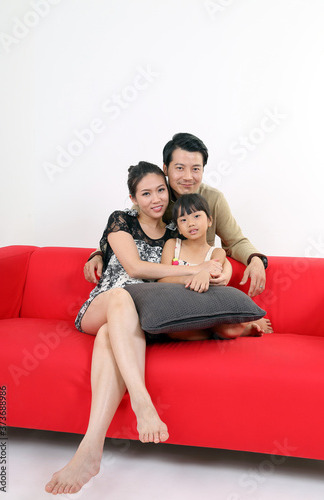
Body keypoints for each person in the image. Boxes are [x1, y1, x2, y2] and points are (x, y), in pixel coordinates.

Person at [45, 162, 222, 495]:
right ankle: (142, 402)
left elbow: (207, 256)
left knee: (108, 335)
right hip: (103, 304)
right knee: (119, 299)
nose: (155, 198)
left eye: (160, 190)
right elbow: (135, 267)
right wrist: (197, 268)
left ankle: (90, 449)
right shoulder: (121, 220)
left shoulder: (174, 232)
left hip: (141, 317)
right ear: (133, 198)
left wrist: (212, 270)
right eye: (146, 193)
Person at [84, 133, 268, 298]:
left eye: (196, 169)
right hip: (164, 286)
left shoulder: (213, 199)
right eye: (180, 168)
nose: (188, 177)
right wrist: (99, 254)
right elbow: (127, 231)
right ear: (165, 169)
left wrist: (256, 259)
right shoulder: (153, 199)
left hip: (202, 283)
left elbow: (234, 242)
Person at [159, 193, 273, 341]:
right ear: (179, 228)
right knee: (174, 332)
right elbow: (162, 281)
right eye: (183, 220)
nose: (191, 223)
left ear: (210, 221)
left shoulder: (217, 252)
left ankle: (232, 327)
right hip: (181, 310)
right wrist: (193, 277)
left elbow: (213, 271)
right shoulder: (173, 245)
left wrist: (205, 274)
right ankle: (226, 332)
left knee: (227, 328)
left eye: (196, 216)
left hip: (207, 309)